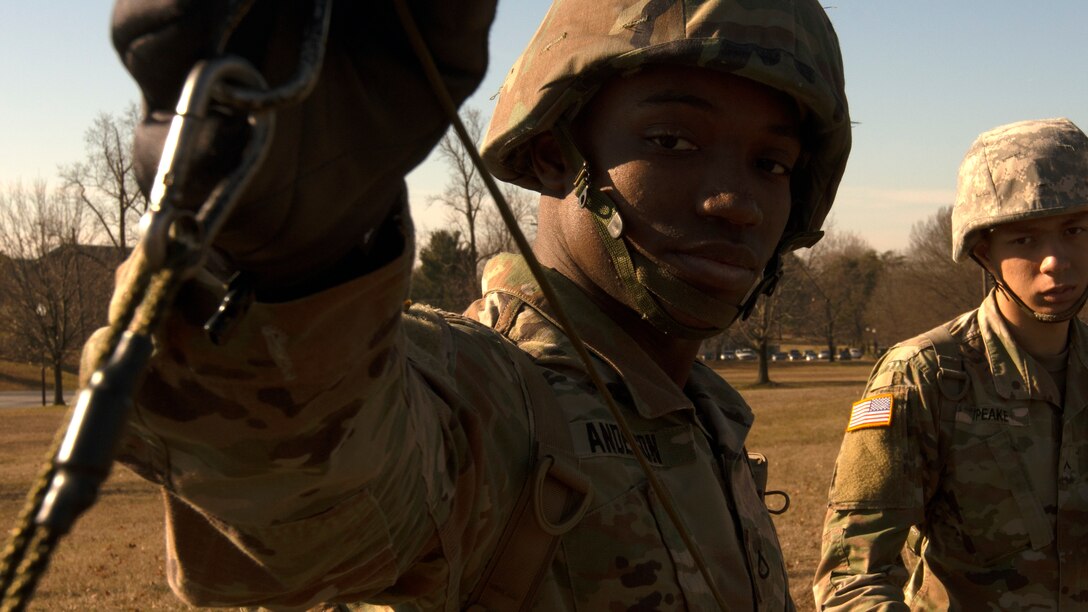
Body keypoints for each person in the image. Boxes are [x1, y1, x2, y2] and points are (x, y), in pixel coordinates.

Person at [92, 0, 850, 609]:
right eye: (673, 141)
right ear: (555, 153)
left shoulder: (706, 413)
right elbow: (310, 507)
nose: (738, 203)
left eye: (772, 163)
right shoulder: (486, 396)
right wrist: (287, 264)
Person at [813, 118, 1088, 609]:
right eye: (1024, 240)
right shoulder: (924, 376)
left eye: (1074, 230)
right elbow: (852, 579)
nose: (1055, 261)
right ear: (984, 251)